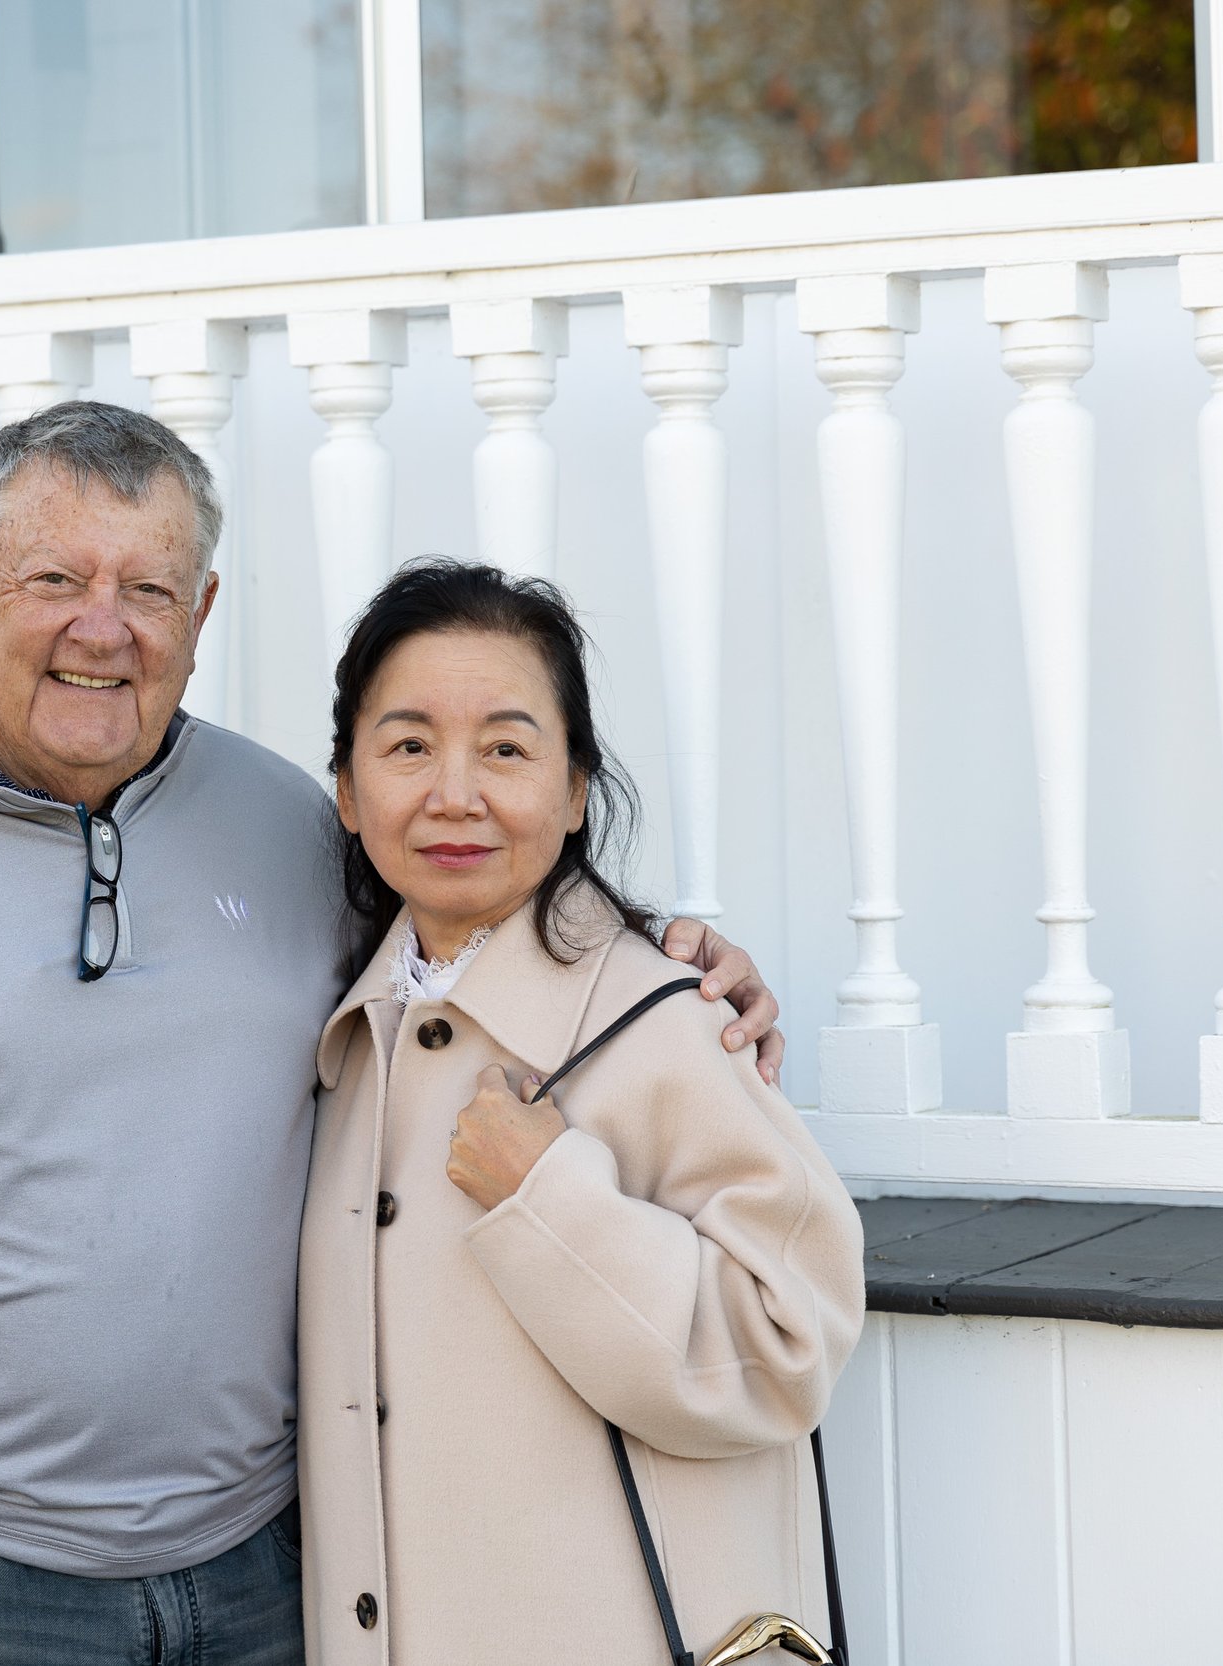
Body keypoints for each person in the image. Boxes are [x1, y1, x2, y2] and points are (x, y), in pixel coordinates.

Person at [0, 404, 789, 1666]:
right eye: (53, 580)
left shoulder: (289, 826)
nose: (102, 628)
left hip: (271, 1578)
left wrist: (661, 957)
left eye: (149, 589)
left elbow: (467, 925)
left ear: (202, 613)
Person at [298, 559, 865, 1666]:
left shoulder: (670, 1021)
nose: (454, 793)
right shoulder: (343, 1043)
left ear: (573, 793)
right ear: (348, 792)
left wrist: (550, 1199)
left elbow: (789, 1347)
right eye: (408, 746)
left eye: (506, 750)